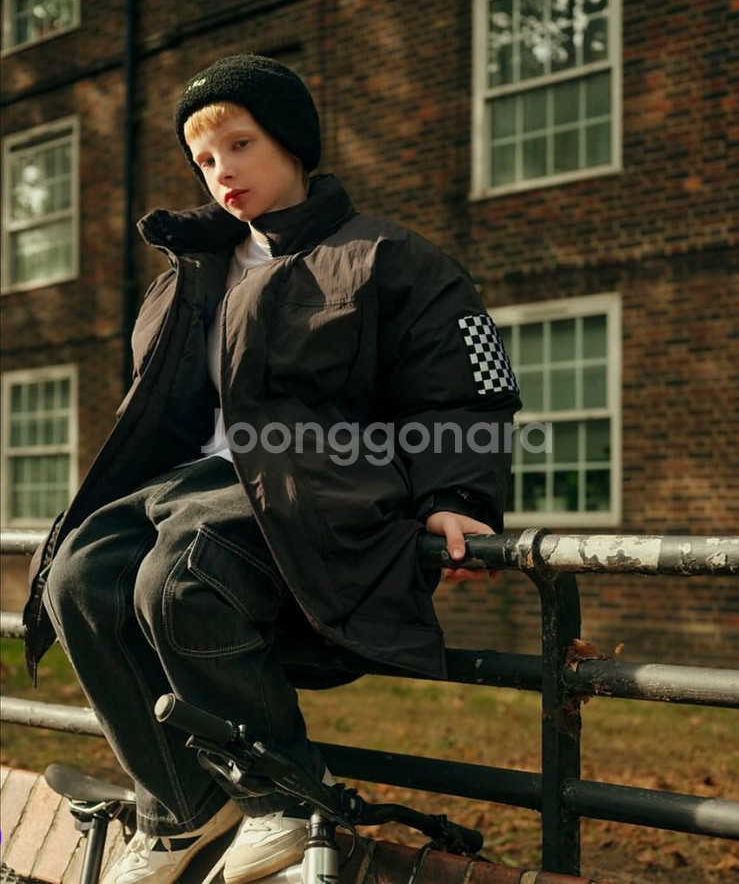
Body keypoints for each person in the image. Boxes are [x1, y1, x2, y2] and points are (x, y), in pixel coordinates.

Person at [23, 54, 521, 884]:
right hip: (192, 493)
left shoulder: (389, 257)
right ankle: (181, 808)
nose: (221, 171)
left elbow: (469, 385)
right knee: (77, 578)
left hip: (323, 488)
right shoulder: (185, 280)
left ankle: (286, 797)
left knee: (182, 578)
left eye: (240, 145)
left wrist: (457, 494)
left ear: (291, 143)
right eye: (204, 160)